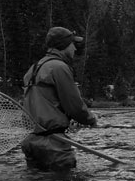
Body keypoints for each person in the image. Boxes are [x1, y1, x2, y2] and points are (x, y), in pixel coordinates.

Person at [21, 26, 98, 171]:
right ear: (63, 45)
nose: (75, 48)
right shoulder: (59, 67)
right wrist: (91, 120)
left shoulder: (33, 68)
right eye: (72, 44)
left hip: (31, 141)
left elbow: (46, 103)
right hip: (53, 144)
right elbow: (74, 105)